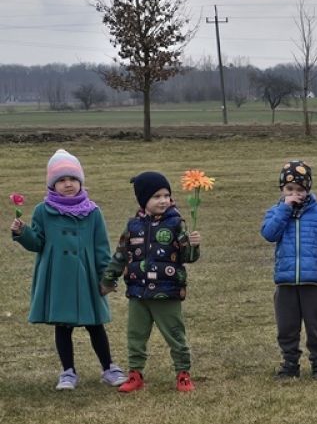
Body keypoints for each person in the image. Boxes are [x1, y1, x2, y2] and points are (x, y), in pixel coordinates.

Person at [9, 149, 126, 390]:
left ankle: (109, 368)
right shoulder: (43, 211)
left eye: (72, 178)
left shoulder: (93, 212)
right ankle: (68, 372)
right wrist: (23, 233)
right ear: (52, 185)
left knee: (95, 325)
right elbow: (38, 243)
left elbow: (101, 249)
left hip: (86, 278)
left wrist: (106, 278)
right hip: (58, 278)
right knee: (63, 326)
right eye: (61, 180)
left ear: (80, 181)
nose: (68, 184)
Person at [101, 171, 200, 393]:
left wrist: (193, 245)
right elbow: (120, 254)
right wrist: (108, 278)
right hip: (138, 292)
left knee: (175, 333)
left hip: (167, 291)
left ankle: (183, 374)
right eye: (156, 196)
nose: (163, 200)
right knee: (135, 336)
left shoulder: (176, 224)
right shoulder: (132, 226)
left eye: (166, 195)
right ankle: (135, 374)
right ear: (143, 200)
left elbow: (188, 257)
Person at [261, 160, 317, 380]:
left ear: (308, 189)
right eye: (289, 189)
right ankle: (290, 363)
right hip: (286, 280)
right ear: (282, 189)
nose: (295, 194)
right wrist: (284, 209)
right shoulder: (276, 212)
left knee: (316, 325)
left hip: (314, 280)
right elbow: (269, 234)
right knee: (286, 325)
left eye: (300, 189)